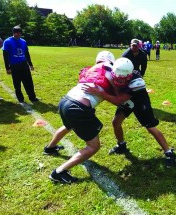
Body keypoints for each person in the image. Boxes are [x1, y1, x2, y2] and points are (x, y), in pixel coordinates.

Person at [44, 52, 134, 184]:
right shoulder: (110, 70)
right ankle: (59, 172)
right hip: (77, 107)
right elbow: (117, 98)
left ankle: (50, 148)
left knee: (69, 125)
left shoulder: (92, 69)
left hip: (66, 101)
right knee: (93, 146)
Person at [2, 25, 39, 103]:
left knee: (29, 82)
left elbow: (26, 53)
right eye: (16, 33)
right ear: (13, 33)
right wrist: (7, 68)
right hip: (14, 65)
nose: (18, 34)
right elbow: (5, 55)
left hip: (24, 65)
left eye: (19, 33)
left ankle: (32, 97)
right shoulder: (7, 41)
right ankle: (20, 98)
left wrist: (30, 64)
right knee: (17, 83)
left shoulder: (23, 41)